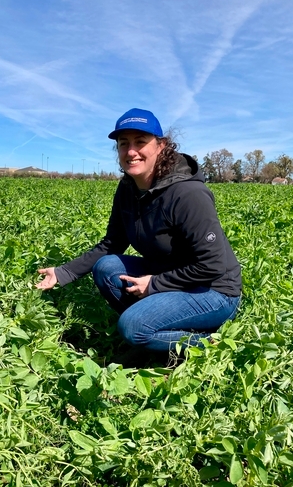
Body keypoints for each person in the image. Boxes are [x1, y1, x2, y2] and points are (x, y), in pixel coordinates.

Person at [36, 108, 241, 356]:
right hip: (169, 276)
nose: (131, 151)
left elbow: (213, 265)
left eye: (140, 142)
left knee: (133, 327)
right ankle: (158, 329)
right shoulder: (127, 189)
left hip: (214, 291)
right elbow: (112, 243)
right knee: (106, 266)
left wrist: (155, 284)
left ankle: (211, 345)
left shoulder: (188, 194)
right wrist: (63, 272)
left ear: (161, 146)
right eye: (124, 144)